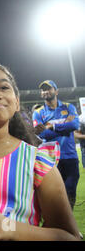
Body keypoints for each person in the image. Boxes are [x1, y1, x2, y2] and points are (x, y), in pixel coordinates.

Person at [0, 63, 80, 240]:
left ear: (17, 102)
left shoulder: (37, 162)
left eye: (3, 87)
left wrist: (9, 227)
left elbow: (70, 236)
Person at [32, 80, 80, 209]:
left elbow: (75, 125)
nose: (46, 91)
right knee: (53, 197)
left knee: (70, 193)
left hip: (70, 157)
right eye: (43, 90)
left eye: (49, 88)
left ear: (56, 91)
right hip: (50, 160)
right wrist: (65, 126)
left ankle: (67, 226)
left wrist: (51, 126)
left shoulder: (68, 107)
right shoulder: (38, 112)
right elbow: (42, 135)